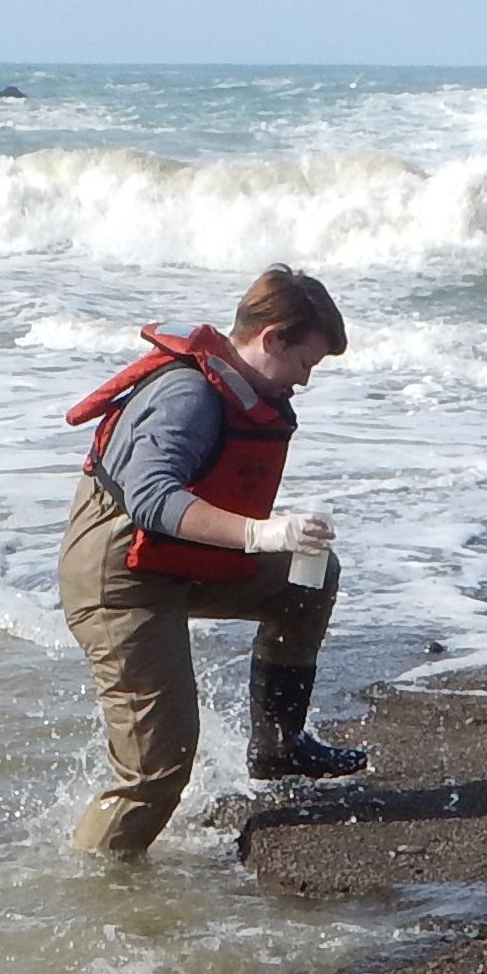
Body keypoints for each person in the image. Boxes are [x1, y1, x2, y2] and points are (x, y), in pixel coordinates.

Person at [58, 265, 367, 856]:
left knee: (310, 577)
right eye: (306, 363)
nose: (304, 381)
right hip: (117, 577)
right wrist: (262, 534)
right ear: (272, 337)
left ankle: (278, 746)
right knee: (158, 767)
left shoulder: (241, 387)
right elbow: (152, 499)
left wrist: (278, 540)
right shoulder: (187, 394)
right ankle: (98, 888)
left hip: (177, 560)